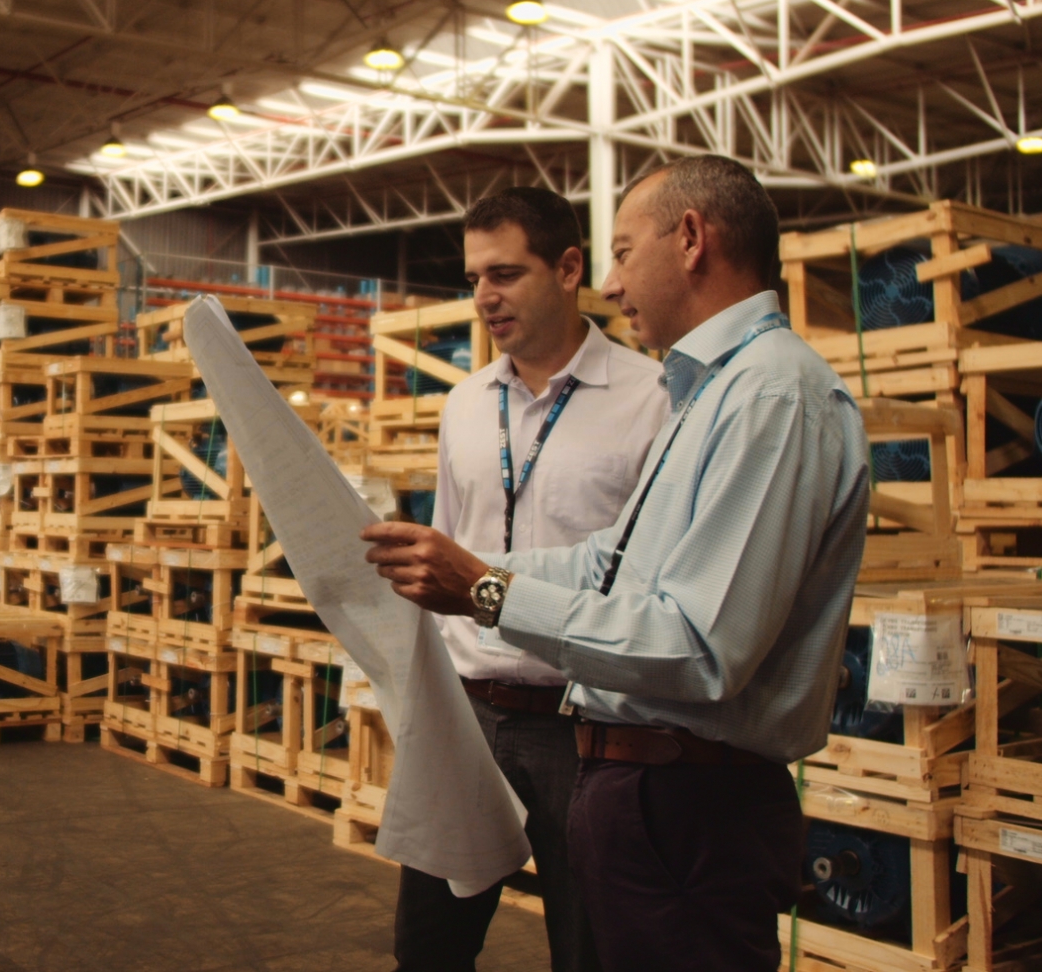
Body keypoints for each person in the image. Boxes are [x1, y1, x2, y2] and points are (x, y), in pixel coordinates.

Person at [363, 155, 870, 972]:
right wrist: (454, 568)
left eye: (625, 251)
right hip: (637, 788)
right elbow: (611, 558)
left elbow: (701, 648)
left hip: (689, 800)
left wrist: (487, 590)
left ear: (693, 240)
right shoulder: (713, 393)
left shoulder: (770, 398)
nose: (612, 278)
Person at [394, 188, 667, 972]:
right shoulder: (464, 407)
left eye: (506, 274)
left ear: (570, 268)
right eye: (476, 276)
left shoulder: (649, 401)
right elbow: (446, 549)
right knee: (427, 947)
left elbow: (644, 581)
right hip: (468, 716)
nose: (484, 296)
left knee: (587, 946)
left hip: (582, 725)